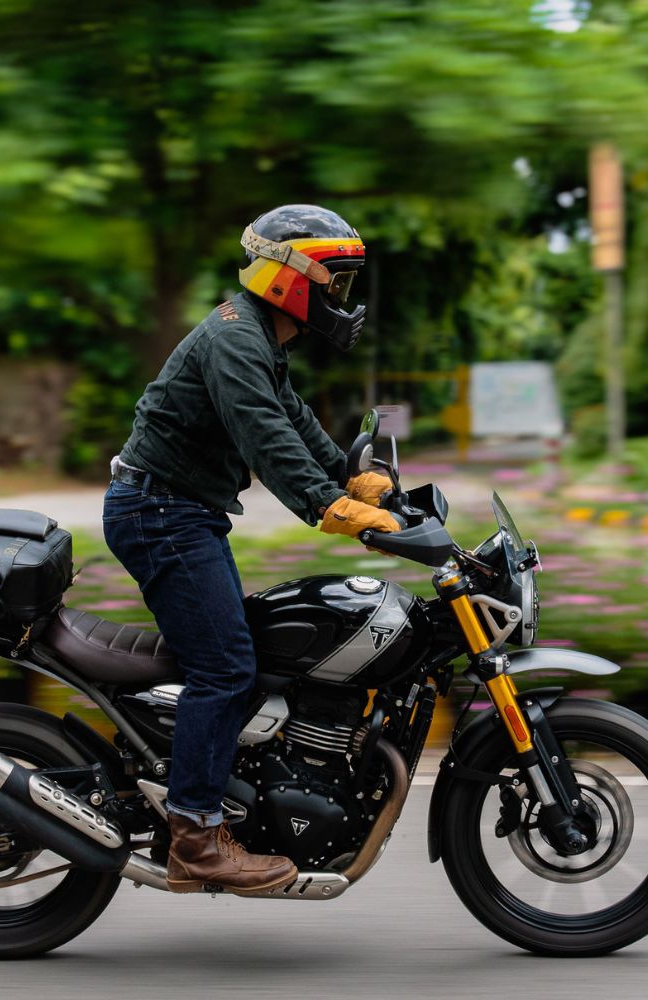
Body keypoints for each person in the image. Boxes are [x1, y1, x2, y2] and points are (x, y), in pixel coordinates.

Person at [103, 204, 398, 895]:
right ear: (291, 278)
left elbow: (291, 421)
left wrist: (358, 482)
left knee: (251, 651)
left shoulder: (258, 337)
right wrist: (332, 509)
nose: (340, 300)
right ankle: (196, 838)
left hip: (180, 512)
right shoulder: (236, 339)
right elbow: (264, 437)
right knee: (226, 667)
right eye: (334, 283)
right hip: (160, 514)